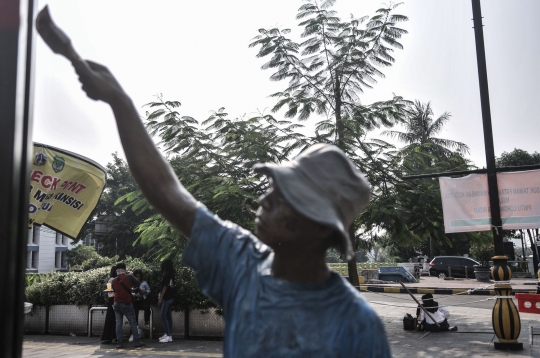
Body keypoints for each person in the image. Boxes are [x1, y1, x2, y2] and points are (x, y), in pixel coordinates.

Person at [69, 55, 391, 356]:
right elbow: (169, 192)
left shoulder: (357, 326)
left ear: (319, 226)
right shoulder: (244, 263)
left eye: (284, 199)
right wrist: (120, 102)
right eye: (272, 189)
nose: (265, 201)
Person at [111, 262, 145, 349]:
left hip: (116, 303)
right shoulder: (129, 277)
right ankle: (136, 342)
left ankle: (119, 343)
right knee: (133, 322)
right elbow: (138, 283)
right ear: (124, 269)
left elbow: (114, 290)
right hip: (127, 303)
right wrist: (131, 275)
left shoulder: (114, 280)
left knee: (118, 323)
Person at [158, 259, 175, 343]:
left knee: (163, 315)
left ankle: (168, 335)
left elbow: (165, 287)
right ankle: (168, 333)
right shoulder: (171, 274)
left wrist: (161, 298)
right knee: (168, 316)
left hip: (167, 298)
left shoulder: (166, 275)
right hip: (171, 297)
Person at [100, 265, 117, 344]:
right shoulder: (115, 280)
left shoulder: (109, 280)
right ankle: (113, 336)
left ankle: (108, 336)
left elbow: (108, 290)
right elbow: (111, 291)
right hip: (115, 299)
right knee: (114, 319)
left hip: (111, 300)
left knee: (110, 318)